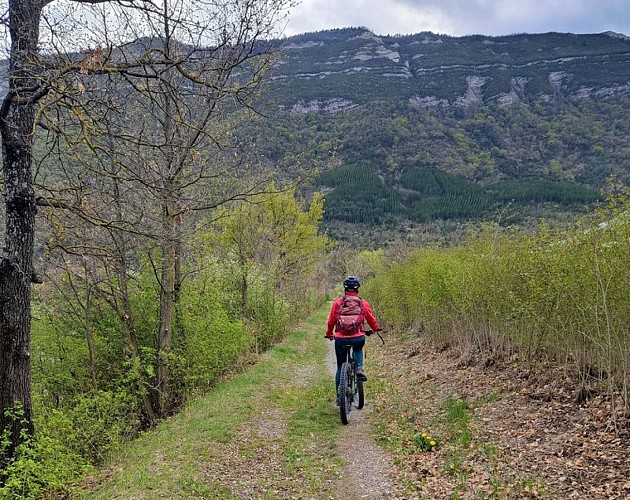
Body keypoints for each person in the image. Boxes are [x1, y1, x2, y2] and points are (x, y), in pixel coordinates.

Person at [325, 275, 380, 404]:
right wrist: (376, 328)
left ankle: (339, 396)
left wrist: (329, 333)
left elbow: (331, 321)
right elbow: (370, 318)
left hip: (340, 339)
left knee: (340, 367)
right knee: (358, 348)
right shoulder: (362, 302)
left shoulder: (338, 303)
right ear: (357, 289)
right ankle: (359, 368)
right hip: (358, 337)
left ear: (345, 288)